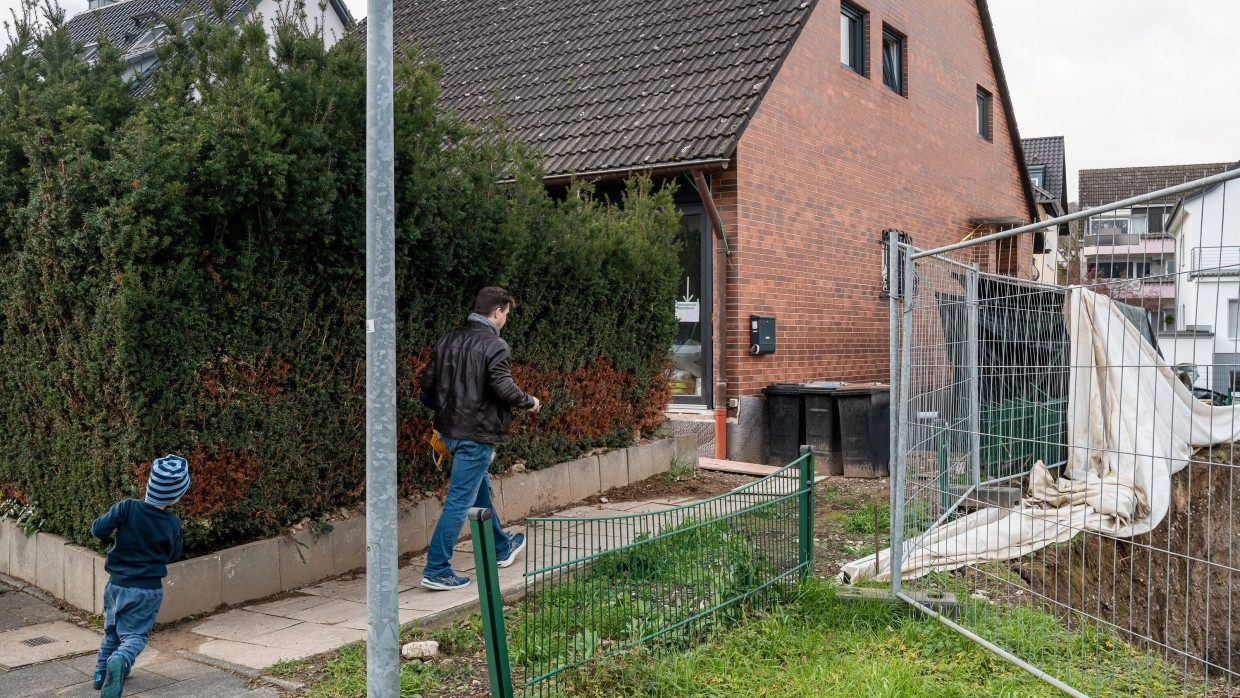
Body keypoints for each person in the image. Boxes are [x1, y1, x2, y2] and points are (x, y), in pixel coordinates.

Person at [419, 287, 540, 590]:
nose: (505, 320)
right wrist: (530, 402)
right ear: (497, 312)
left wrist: (447, 413)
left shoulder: (447, 340)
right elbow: (504, 388)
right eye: (506, 315)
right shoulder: (494, 344)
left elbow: (427, 387)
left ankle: (500, 546)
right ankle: (436, 569)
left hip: (449, 432)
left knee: (478, 487)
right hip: (475, 435)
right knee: (459, 500)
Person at [91, 454, 189, 697]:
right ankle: (122, 660)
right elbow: (173, 554)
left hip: (116, 585)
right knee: (134, 634)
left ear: (149, 484)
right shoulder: (172, 524)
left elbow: (98, 529)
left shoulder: (126, 507)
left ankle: (101, 674)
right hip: (146, 589)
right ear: (177, 496)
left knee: (112, 631)